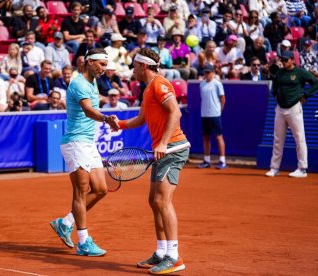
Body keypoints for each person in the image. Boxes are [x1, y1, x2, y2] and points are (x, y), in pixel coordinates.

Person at [115, 47, 189, 274]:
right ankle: (161, 252)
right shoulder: (148, 90)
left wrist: (164, 143)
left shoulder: (159, 84)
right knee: (154, 201)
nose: (133, 70)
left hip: (174, 148)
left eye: (135, 66)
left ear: (143, 66)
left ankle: (174, 257)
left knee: (162, 201)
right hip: (164, 150)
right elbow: (142, 118)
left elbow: (176, 113)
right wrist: (119, 124)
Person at [50, 48, 119, 257]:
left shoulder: (93, 81)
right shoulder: (79, 83)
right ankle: (83, 242)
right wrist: (107, 119)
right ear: (89, 62)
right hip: (75, 143)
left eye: (106, 65)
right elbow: (88, 110)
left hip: (88, 143)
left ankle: (65, 223)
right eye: (101, 64)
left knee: (100, 189)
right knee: (80, 192)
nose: (104, 69)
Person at [265, 51, 318, 178]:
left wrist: (306, 95)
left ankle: (302, 169)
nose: (283, 62)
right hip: (280, 108)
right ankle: (274, 168)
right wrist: (275, 95)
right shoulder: (279, 72)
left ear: (292, 60)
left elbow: (316, 83)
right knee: (278, 139)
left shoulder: (300, 72)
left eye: (285, 60)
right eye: (282, 59)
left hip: (294, 108)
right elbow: (275, 86)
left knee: (299, 138)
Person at [197, 64, 227, 169]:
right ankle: (207, 160)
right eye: (205, 72)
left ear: (213, 73)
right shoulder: (201, 85)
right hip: (204, 114)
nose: (206, 74)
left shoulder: (217, 84)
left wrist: (219, 111)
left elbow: (223, 99)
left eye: (208, 72)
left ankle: (222, 161)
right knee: (205, 137)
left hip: (215, 114)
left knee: (218, 137)